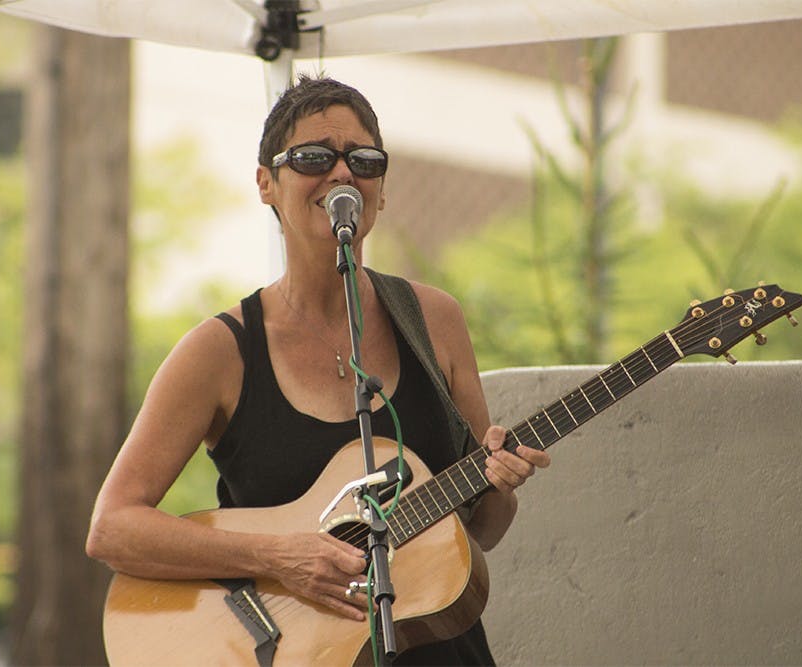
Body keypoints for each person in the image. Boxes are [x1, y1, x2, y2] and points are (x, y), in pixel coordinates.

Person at [86, 74, 550, 665]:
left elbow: (481, 528)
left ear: (381, 191)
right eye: (311, 158)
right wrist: (278, 557)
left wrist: (500, 482)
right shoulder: (220, 351)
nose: (341, 173)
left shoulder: (435, 320)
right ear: (266, 184)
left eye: (363, 159)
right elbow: (113, 528)